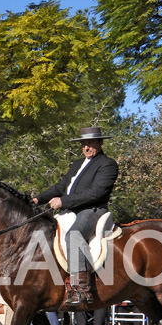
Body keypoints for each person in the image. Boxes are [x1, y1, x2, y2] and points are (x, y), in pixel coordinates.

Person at [33, 126, 119, 309]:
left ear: (100, 143)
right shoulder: (77, 164)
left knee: (74, 235)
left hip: (92, 210)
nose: (86, 147)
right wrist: (37, 199)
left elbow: (96, 193)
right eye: (83, 144)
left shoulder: (108, 164)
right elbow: (60, 186)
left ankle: (81, 289)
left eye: (90, 143)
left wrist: (63, 202)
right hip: (71, 210)